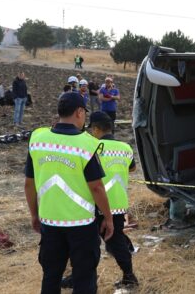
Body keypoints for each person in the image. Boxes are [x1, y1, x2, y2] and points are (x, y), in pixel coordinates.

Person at [24, 92, 114, 293]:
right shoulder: (87, 144)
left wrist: (34, 215)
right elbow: (97, 187)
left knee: (51, 276)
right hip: (81, 224)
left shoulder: (38, 139)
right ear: (79, 112)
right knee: (84, 277)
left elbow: (28, 184)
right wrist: (108, 218)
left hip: (49, 222)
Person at [61, 111, 139, 289]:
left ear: (96, 129)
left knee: (83, 242)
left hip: (94, 203)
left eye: (92, 129)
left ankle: (80, 276)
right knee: (116, 240)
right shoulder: (125, 148)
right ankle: (128, 275)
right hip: (118, 204)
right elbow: (132, 169)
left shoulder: (92, 146)